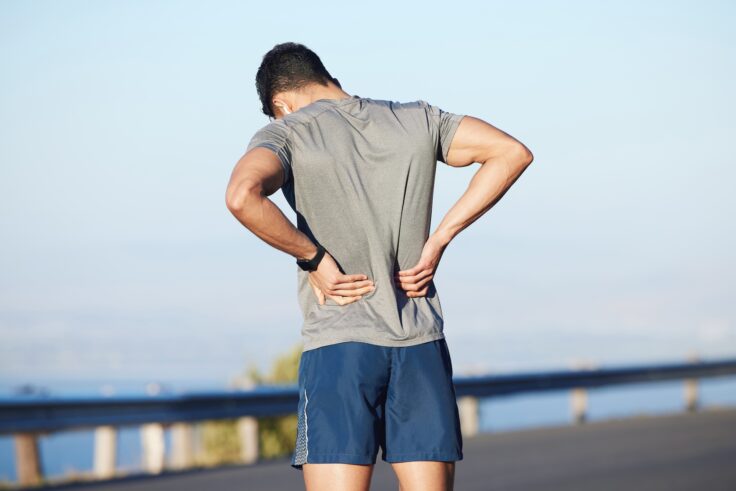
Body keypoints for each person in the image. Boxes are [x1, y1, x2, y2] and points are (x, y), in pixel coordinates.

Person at [225, 42, 533, 491]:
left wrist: (313, 257)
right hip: (419, 342)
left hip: (339, 347)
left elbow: (241, 195)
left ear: (280, 103)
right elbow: (511, 152)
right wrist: (439, 239)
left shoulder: (288, 132)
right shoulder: (418, 118)